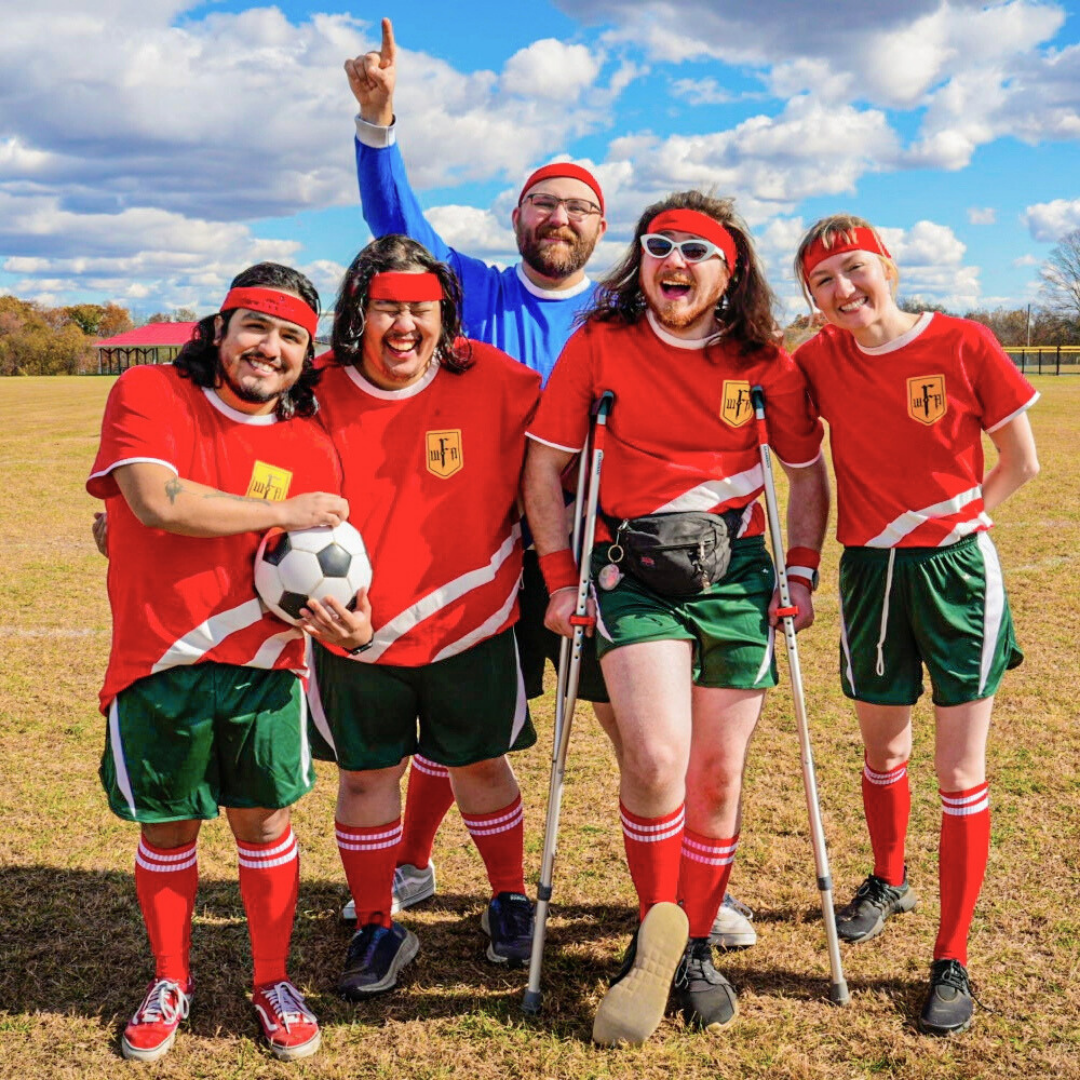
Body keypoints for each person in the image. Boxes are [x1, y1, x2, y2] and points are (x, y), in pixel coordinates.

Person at [344, 18, 756, 948]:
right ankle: (412, 862)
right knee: (460, 729)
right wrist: (378, 125)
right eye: (542, 203)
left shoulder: (626, 316)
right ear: (517, 218)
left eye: (576, 206)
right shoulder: (475, 292)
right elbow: (395, 228)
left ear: (603, 228)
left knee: (635, 735)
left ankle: (691, 887)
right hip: (481, 546)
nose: (558, 217)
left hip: (603, 552)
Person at [524, 192, 830, 1045]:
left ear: (729, 272)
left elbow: (806, 477)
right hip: (631, 570)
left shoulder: (765, 362)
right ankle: (655, 931)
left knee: (717, 779)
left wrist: (800, 573)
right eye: (660, 246)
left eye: (698, 251)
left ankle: (693, 945)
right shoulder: (599, 344)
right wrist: (559, 578)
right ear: (641, 261)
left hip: (737, 575)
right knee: (657, 758)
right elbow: (546, 470)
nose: (676, 263)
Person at [87, 264, 372, 1063]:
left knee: (265, 827)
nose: (269, 347)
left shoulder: (311, 443)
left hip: (265, 670)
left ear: (305, 354)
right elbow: (157, 502)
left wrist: (354, 628)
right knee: (169, 829)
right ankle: (170, 978)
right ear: (218, 330)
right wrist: (285, 509)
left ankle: (273, 980)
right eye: (255, 326)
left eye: (290, 337)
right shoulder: (150, 395)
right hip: (158, 663)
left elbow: (336, 562)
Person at [792, 215, 1039, 1036]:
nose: (842, 291)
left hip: (956, 571)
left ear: (888, 268)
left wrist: (965, 524)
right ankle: (888, 879)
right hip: (868, 571)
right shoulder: (817, 360)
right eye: (822, 282)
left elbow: (1022, 460)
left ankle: (952, 953)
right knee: (882, 748)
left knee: (958, 770)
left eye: (855, 270)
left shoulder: (963, 343)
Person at [297, 235, 542, 1000]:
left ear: (447, 315)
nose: (404, 326)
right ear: (356, 313)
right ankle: (378, 921)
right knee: (368, 776)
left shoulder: (497, 378)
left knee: (481, 766)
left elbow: (578, 446)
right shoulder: (314, 388)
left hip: (473, 619)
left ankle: (507, 899)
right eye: (386, 308)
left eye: (421, 309)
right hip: (352, 630)